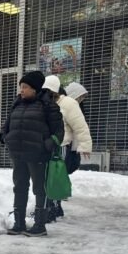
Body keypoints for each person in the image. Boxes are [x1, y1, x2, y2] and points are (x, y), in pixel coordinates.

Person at [0, 70, 64, 237]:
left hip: (37, 155)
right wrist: (5, 137)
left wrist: (46, 145)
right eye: (21, 87)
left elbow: (59, 132)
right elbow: (7, 125)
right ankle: (19, 223)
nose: (21, 90)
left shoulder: (48, 106)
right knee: (19, 187)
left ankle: (39, 225)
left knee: (39, 188)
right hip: (18, 154)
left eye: (25, 87)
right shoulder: (17, 104)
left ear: (35, 88)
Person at [41, 75, 92, 221]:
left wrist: (84, 145)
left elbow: (80, 126)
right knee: (46, 177)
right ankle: (53, 207)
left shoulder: (68, 103)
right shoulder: (44, 102)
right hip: (46, 145)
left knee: (55, 177)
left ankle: (53, 208)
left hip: (61, 145)